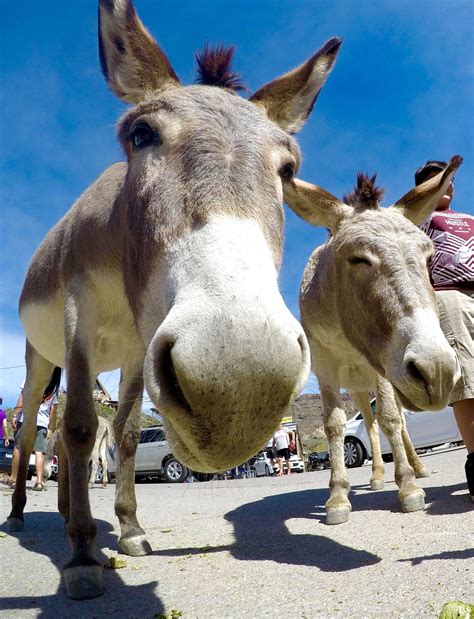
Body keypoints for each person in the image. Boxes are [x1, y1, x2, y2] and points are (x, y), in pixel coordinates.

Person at [415, 160, 474, 501]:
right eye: (438, 181)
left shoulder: (468, 218)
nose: (447, 186)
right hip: (448, 295)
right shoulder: (416, 223)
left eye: (450, 181)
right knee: (466, 381)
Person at [9, 367, 61, 491]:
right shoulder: (55, 384)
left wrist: (15, 414)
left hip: (26, 418)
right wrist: (47, 423)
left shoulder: (31, 376)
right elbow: (53, 409)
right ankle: (39, 482)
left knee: (18, 448)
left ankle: (14, 479)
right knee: (39, 451)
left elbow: (22, 398)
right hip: (42, 422)